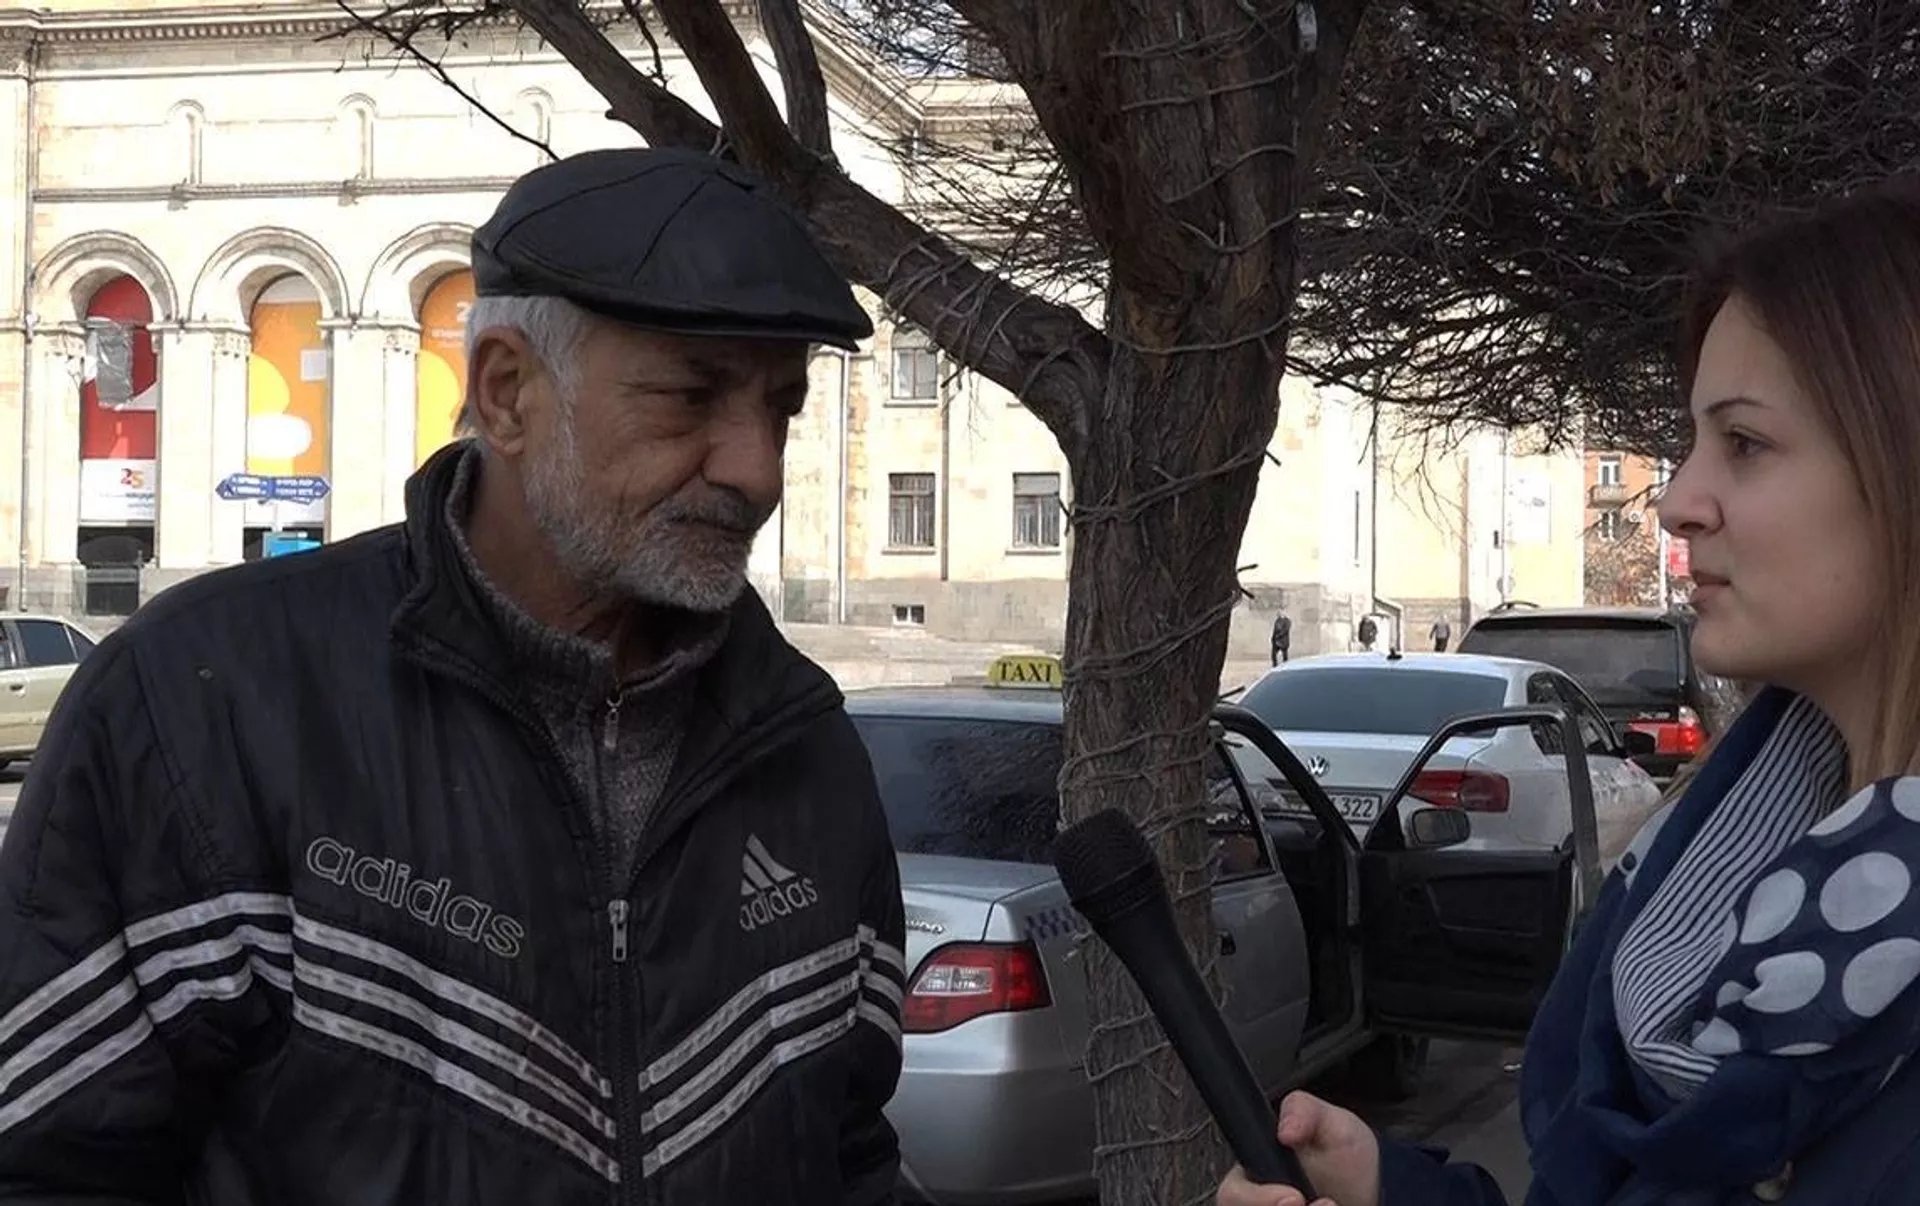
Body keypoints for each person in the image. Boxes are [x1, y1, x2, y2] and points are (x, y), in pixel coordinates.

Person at [0, 148, 907, 1205]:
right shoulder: (199, 707)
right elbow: (46, 1169)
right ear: (508, 393)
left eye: (781, 409)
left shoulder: (803, 744)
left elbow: (850, 1153)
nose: (755, 468)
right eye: (689, 397)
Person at [1219, 180, 1920, 1205]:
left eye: (1745, 442)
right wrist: (1386, 1188)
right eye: (1693, 441)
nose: (1677, 501)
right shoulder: (1738, 834)